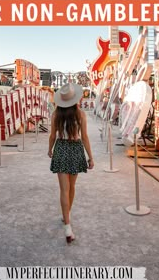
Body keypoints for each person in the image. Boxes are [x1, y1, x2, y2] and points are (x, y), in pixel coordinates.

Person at [48, 83, 94, 243]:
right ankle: (67, 216)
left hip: (61, 149)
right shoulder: (80, 114)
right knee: (72, 187)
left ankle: (67, 224)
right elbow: (85, 137)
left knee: (63, 189)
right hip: (75, 150)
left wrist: (50, 149)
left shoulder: (55, 115)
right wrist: (91, 157)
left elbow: (53, 136)